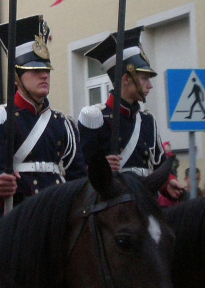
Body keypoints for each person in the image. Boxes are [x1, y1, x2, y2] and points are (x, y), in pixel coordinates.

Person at [0, 15, 87, 214]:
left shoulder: (63, 123)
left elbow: (78, 177)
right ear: (17, 78)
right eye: (35, 70)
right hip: (19, 213)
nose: (44, 75)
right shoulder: (0, 118)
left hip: (57, 211)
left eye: (46, 70)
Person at [78, 26, 184, 199]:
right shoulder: (96, 118)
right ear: (126, 79)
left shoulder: (147, 121)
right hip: (115, 203)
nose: (149, 85)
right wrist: (100, 168)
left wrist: (168, 181)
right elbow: (80, 169)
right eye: (144, 78)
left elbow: (158, 163)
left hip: (145, 199)